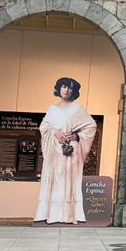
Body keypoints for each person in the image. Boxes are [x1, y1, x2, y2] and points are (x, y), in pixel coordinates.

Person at [34, 77, 97, 224]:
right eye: (63, 87)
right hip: (55, 150)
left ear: (73, 91)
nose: (66, 90)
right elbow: (44, 127)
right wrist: (56, 133)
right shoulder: (52, 109)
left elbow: (91, 126)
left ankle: (69, 215)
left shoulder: (77, 109)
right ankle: (51, 215)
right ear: (58, 89)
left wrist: (76, 135)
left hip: (71, 150)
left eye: (69, 87)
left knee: (69, 179)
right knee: (55, 179)